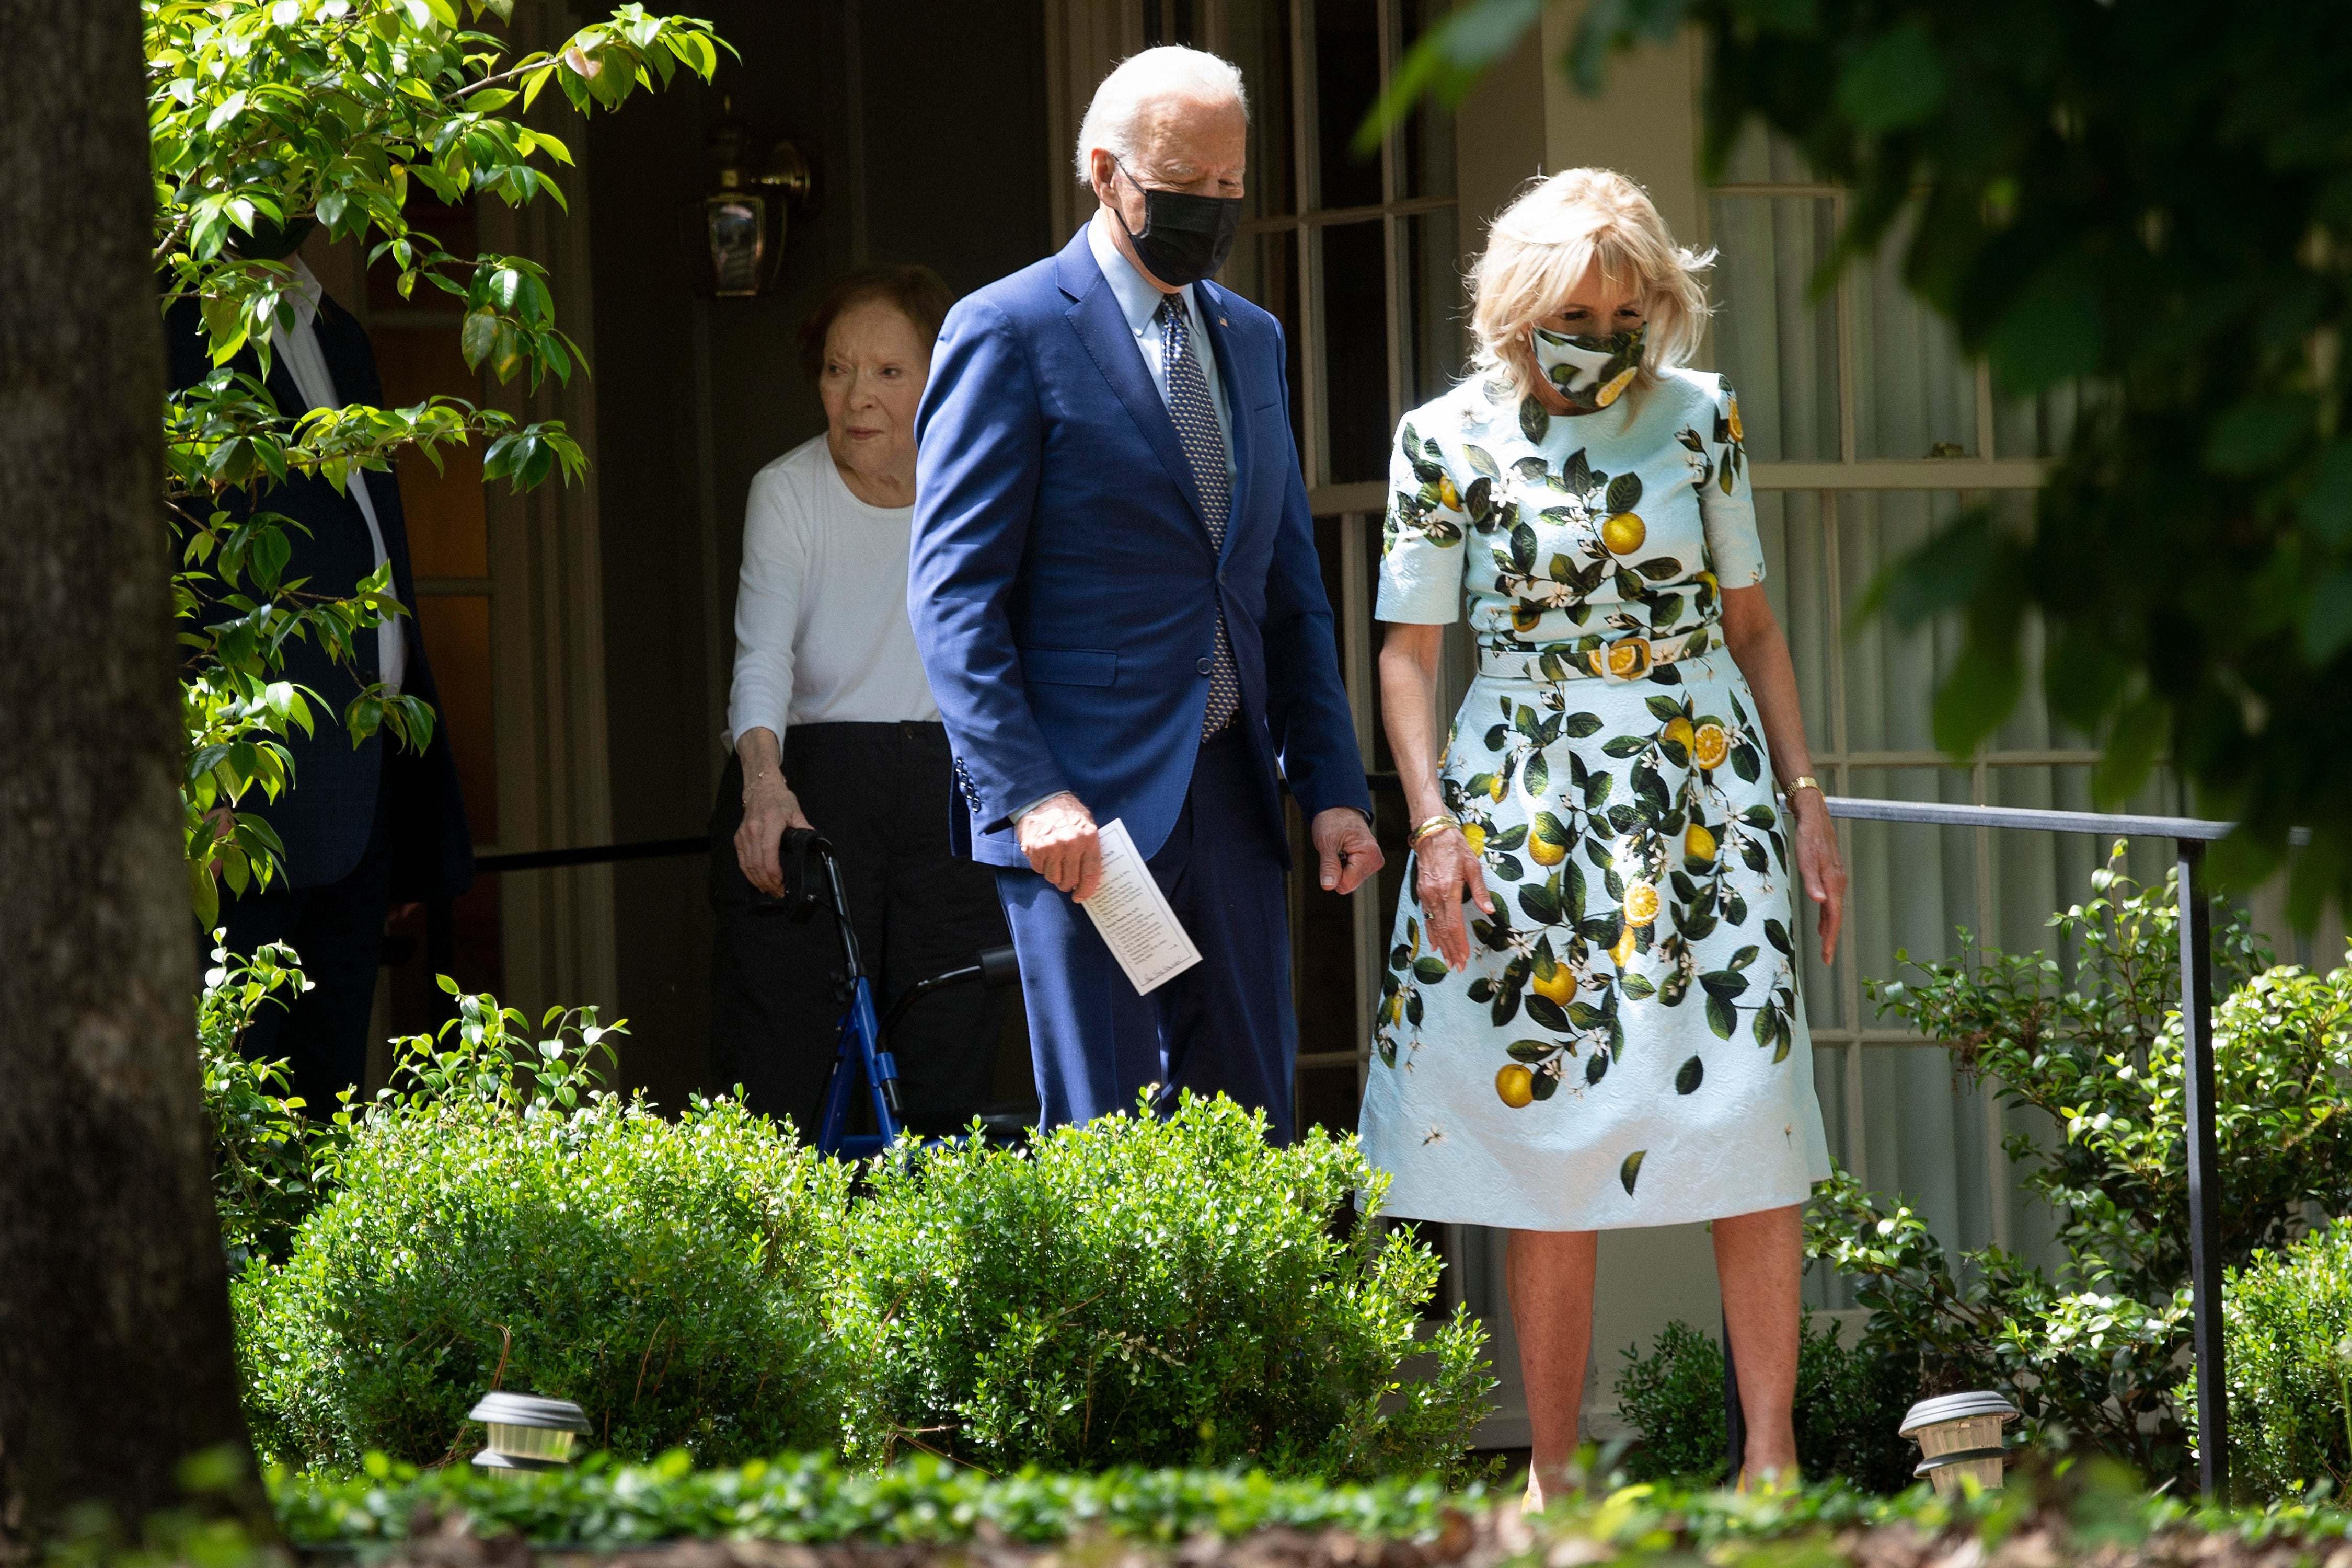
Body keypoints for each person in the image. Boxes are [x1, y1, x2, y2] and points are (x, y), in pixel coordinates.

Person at [1356, 169, 1848, 1497]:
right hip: (1527, 797)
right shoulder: (1441, 438)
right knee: (1549, 1135)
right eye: (1579, 308)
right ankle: (1553, 1478)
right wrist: (1434, 827)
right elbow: (1408, 655)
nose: (1605, 333)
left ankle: (1770, 1461)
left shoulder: (1702, 423)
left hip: (1702, 789)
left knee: (1752, 1107)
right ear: (1521, 310)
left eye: (1629, 311)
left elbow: (1752, 626)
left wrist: (1809, 803)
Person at [908, 47, 1380, 1144]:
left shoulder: (1251, 340)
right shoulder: (1009, 328)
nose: (1212, 208)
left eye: (1230, 186)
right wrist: (1031, 794)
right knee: (1106, 1136)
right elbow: (954, 596)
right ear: (1105, 169)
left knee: (1250, 1129)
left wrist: (1334, 785)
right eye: (1185, 179)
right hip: (1086, 811)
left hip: (1230, 793)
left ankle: (1245, 1329)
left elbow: (1283, 588)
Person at [168, 230, 474, 1112]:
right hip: (231, 812)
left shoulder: (335, 327)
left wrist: (404, 807)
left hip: (361, 792)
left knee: (324, 1117)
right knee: (227, 1120)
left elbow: (379, 560)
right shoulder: (164, 317)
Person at [708, 262, 1012, 1137]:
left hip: (953, 798)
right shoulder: (788, 491)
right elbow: (761, 653)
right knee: (784, 1071)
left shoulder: (984, 491)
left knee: (942, 1060)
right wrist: (764, 784)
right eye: (838, 370)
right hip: (811, 789)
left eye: (888, 372)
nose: (856, 397)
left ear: (940, 379)